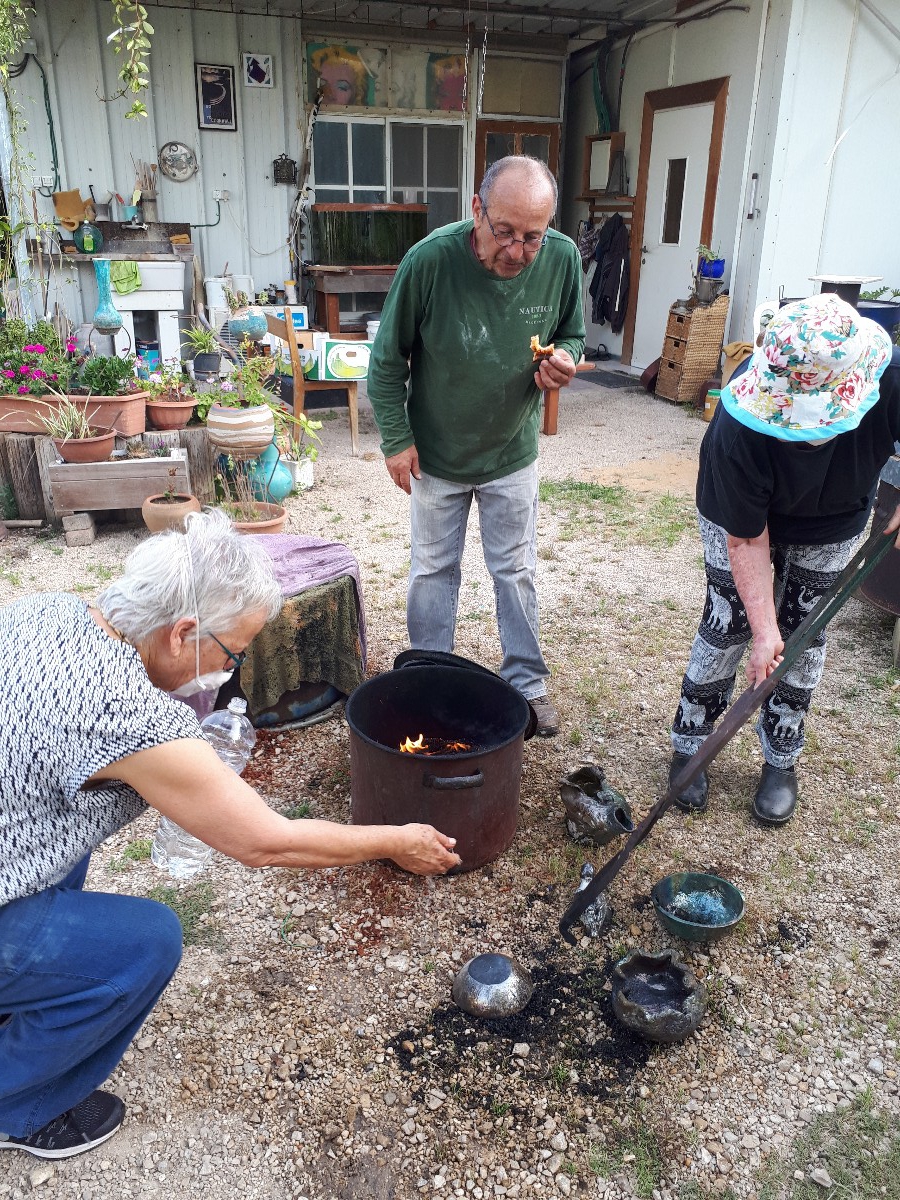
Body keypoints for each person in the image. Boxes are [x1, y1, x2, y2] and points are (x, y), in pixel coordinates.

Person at [0, 511, 459, 1161]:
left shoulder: (50, 610)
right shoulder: (125, 713)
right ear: (184, 631)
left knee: (61, 838)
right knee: (146, 945)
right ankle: (15, 1105)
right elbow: (264, 842)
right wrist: (393, 840)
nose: (230, 673)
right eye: (233, 653)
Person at [367, 155, 586, 737]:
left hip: (512, 450)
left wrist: (565, 360)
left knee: (515, 570)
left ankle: (527, 682)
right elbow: (387, 361)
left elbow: (573, 332)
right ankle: (431, 676)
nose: (517, 251)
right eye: (504, 232)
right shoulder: (430, 261)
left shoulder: (562, 258)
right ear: (476, 211)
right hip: (436, 453)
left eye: (531, 237)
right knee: (433, 570)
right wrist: (396, 439)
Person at [669, 293, 900, 826]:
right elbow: (748, 541)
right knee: (729, 625)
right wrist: (763, 630)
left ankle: (781, 759)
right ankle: (691, 743)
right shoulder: (738, 423)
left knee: (804, 634)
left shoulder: (888, 375)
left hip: (835, 517)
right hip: (741, 515)